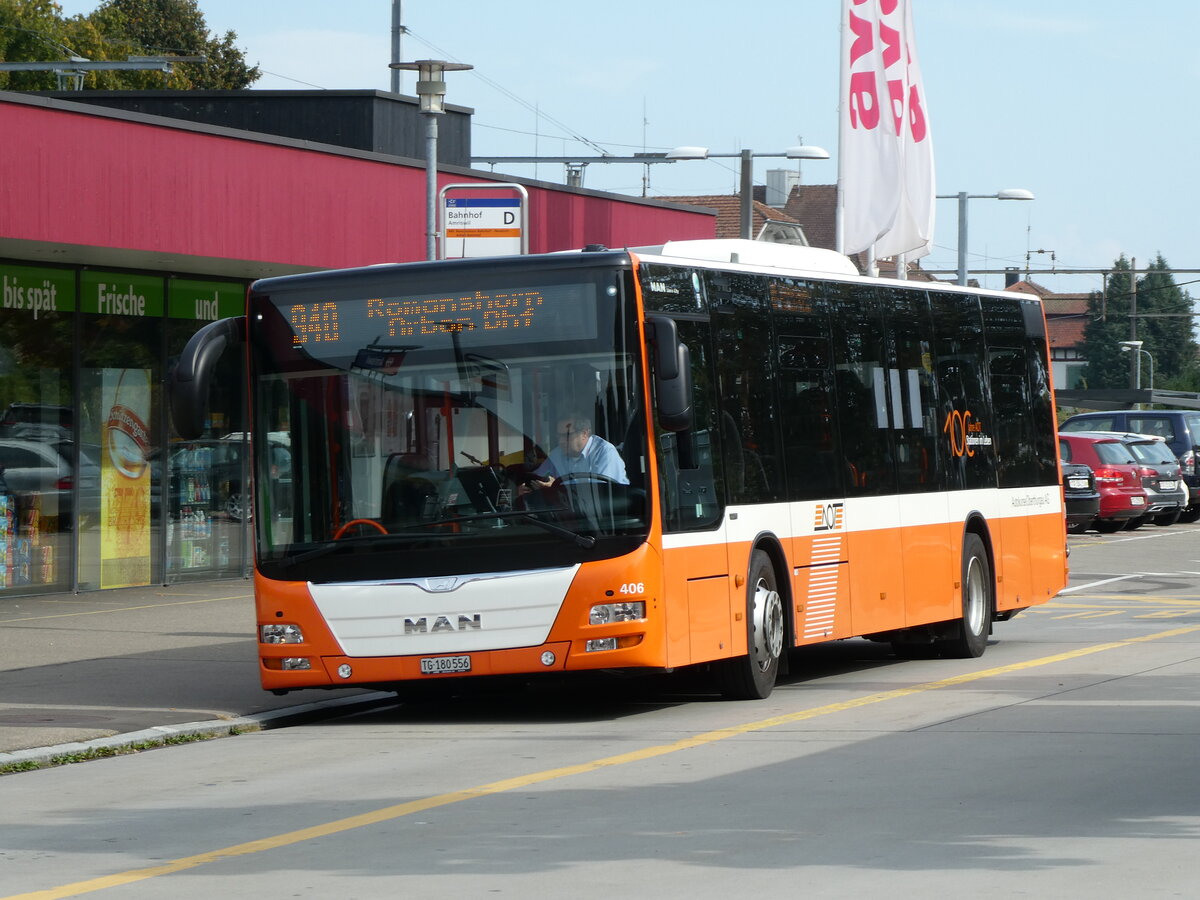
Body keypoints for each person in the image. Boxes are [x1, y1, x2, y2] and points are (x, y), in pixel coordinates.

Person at [523, 411, 628, 492]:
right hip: (570, 515)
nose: (561, 441)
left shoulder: (605, 452)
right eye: (559, 436)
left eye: (567, 436)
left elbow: (598, 494)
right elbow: (537, 477)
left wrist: (557, 488)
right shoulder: (557, 454)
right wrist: (526, 487)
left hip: (609, 516)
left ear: (584, 433)